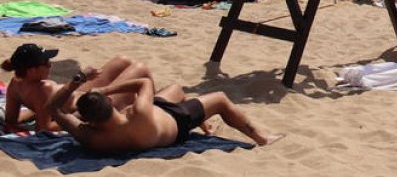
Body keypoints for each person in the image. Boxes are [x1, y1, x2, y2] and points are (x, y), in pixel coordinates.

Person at [49, 70, 282, 153]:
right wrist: (104, 87)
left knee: (175, 89)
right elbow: (143, 83)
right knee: (220, 99)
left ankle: (205, 126)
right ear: (110, 102)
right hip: (176, 122)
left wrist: (73, 85)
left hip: (157, 118)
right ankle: (262, 138)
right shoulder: (138, 111)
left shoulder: (90, 137)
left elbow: (53, 108)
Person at [3, 45, 150, 132]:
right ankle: (153, 110)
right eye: (45, 63)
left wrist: (36, 112)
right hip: (87, 106)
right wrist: (75, 118)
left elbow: (11, 119)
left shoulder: (16, 83)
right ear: (31, 70)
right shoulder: (43, 88)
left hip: (76, 95)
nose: (50, 65)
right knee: (140, 69)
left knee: (122, 61)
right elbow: (45, 128)